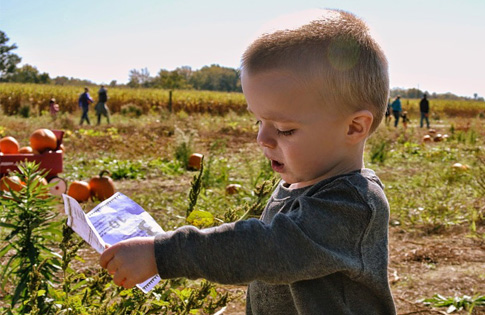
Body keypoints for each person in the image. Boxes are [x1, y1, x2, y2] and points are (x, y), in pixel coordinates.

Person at [99, 9, 396, 315]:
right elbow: (258, 263)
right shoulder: (293, 186)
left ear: (353, 128)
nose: (262, 139)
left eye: (284, 129)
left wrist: (163, 254)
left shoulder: (352, 204)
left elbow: (266, 251)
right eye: (258, 122)